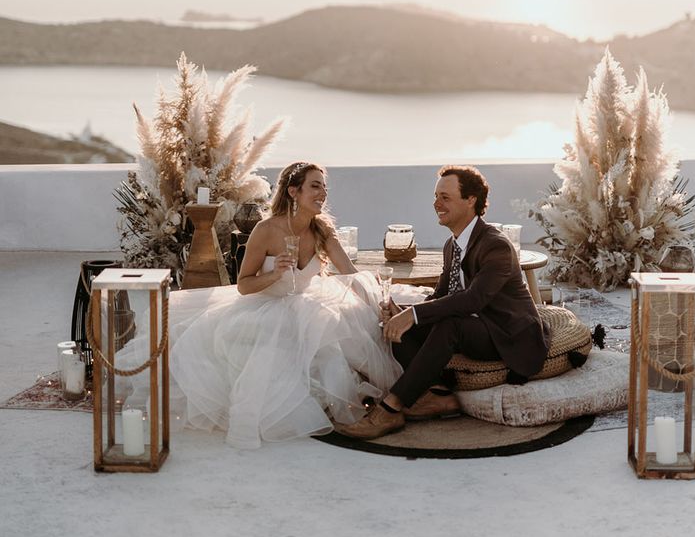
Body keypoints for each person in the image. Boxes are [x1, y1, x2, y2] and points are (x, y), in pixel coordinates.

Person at [118, 161, 402, 448]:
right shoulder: (266, 230)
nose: (323, 193)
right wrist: (274, 273)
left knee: (340, 322)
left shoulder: (322, 231)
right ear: (293, 191)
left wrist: (379, 299)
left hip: (307, 304)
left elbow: (350, 273)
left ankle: (398, 395)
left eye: (324, 186)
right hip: (264, 306)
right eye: (315, 186)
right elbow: (243, 285)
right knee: (275, 341)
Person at [336, 164, 550, 440]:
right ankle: (437, 395)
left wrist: (413, 314)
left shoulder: (495, 245)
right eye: (436, 197)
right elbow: (440, 297)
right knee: (395, 326)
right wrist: (401, 313)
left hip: (507, 333)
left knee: (448, 324)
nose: (436, 203)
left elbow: (473, 300)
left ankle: (391, 408)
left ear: (471, 200)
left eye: (445, 197)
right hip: (476, 327)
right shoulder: (452, 246)